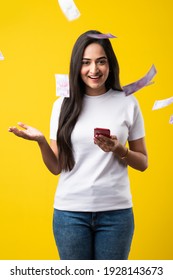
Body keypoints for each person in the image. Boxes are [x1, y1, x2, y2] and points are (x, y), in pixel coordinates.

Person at [8, 30, 148, 260]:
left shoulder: (128, 102)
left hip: (116, 214)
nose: (94, 70)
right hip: (70, 215)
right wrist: (41, 142)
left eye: (101, 61)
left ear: (110, 64)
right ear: (77, 65)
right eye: (86, 63)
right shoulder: (62, 104)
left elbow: (143, 163)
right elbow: (56, 167)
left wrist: (119, 150)